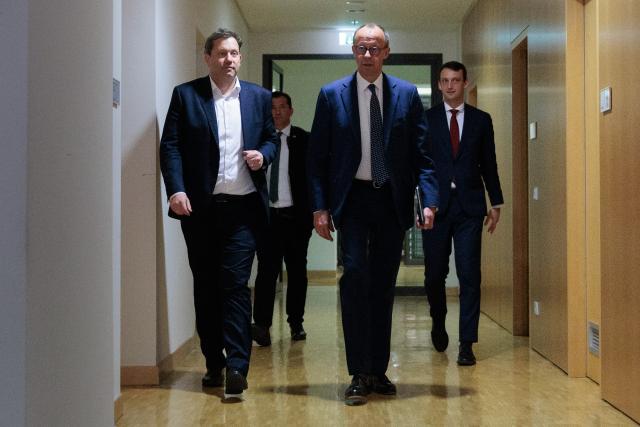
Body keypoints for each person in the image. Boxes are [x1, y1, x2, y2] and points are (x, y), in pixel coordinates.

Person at [307, 23, 439, 406]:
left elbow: (423, 156)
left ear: (386, 52)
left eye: (374, 48)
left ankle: (378, 370)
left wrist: (427, 200)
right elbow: (317, 158)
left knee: (383, 284)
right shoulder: (332, 96)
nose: (367, 55)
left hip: (390, 200)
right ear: (353, 51)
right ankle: (357, 371)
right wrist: (319, 207)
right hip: (352, 201)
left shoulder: (407, 94)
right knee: (355, 279)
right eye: (361, 48)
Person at [159, 28, 278, 399]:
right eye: (221, 54)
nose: (229, 60)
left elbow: (272, 138)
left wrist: (264, 155)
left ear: (240, 58)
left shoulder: (259, 97)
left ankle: (238, 365)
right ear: (208, 58)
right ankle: (214, 360)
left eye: (234, 54)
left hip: (243, 209)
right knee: (207, 286)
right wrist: (176, 189)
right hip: (201, 210)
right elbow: (171, 146)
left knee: (235, 286)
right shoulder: (187, 95)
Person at [421, 61, 504, 366]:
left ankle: (467, 343)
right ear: (439, 85)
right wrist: (420, 205)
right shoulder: (427, 120)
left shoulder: (482, 121)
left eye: (456, 80)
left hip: (470, 208)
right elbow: (420, 166)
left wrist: (496, 203)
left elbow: (489, 164)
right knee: (434, 275)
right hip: (436, 207)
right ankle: (438, 321)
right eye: (445, 81)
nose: (450, 86)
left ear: (466, 83)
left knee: (469, 275)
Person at [252, 91, 313, 346]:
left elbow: (313, 178)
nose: (277, 112)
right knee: (267, 272)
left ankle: (295, 322)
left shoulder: (305, 140)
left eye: (281, 107)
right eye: (273, 108)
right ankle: (263, 326)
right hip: (268, 218)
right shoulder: (259, 141)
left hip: (296, 217)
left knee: (297, 272)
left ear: (291, 110)